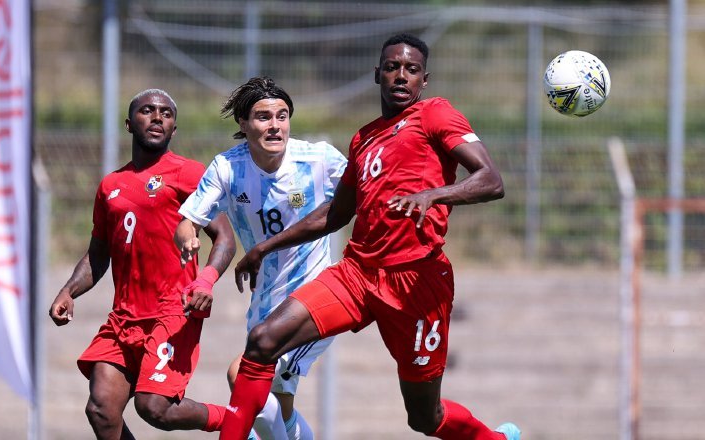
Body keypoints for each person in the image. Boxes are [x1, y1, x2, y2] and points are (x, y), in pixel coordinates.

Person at [221, 34, 522, 440]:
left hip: (417, 282)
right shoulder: (363, 139)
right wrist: (264, 246)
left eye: (411, 69)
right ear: (377, 74)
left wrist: (433, 195)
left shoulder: (436, 115)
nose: (401, 75)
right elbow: (336, 213)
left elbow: (491, 180)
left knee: (424, 417)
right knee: (262, 341)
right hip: (357, 274)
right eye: (392, 67)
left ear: (424, 79)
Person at [49, 88, 238, 440]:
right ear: (128, 124)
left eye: (166, 113)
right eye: (147, 111)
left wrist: (205, 282)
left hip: (172, 311)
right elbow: (97, 254)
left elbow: (225, 238)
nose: (157, 117)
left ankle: (237, 421)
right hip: (124, 316)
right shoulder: (111, 186)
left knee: (154, 407)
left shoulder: (189, 174)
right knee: (101, 408)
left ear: (174, 128)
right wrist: (68, 289)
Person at [174, 76, 347, 440]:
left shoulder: (317, 159)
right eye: (264, 117)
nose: (275, 126)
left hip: (317, 296)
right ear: (243, 123)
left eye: (282, 116)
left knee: (243, 377)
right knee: (276, 407)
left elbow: (369, 192)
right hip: (266, 302)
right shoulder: (228, 168)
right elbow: (189, 220)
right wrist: (188, 236)